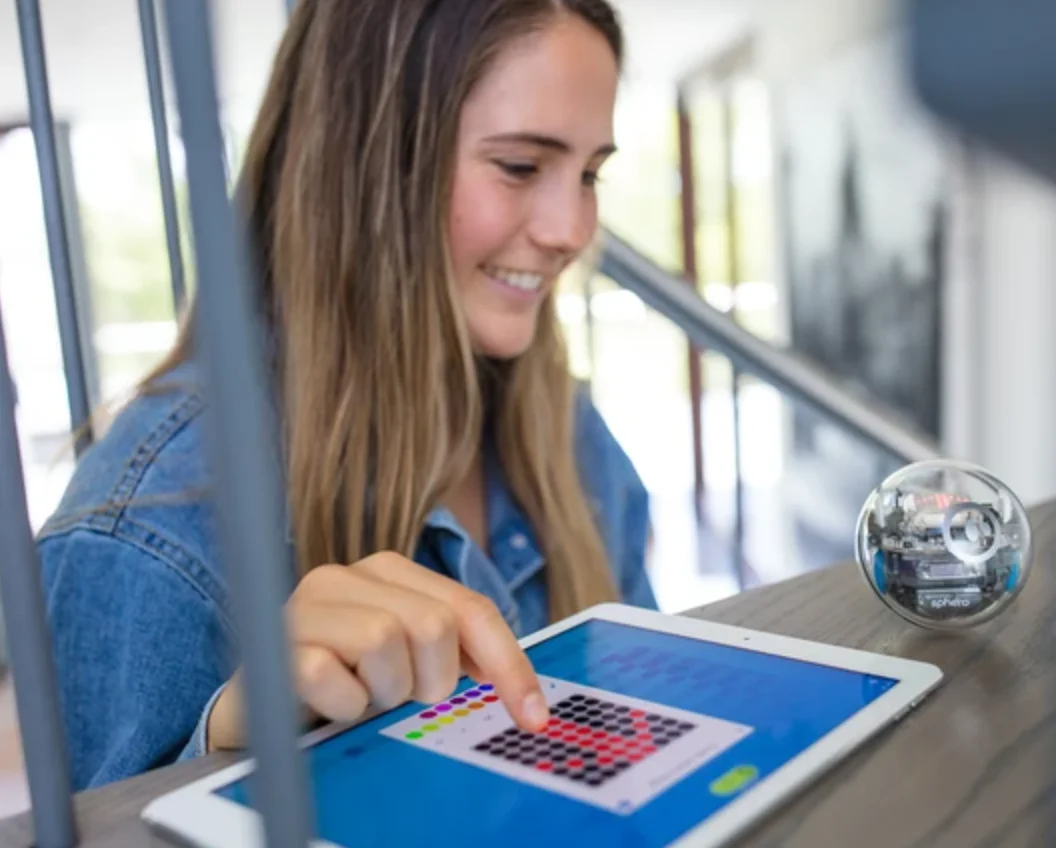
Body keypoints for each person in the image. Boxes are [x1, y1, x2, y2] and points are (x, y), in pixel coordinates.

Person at [36, 0, 656, 792]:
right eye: (521, 166)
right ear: (364, 166)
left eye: (591, 173)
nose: (573, 228)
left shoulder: (567, 431)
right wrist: (231, 742)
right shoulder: (149, 522)